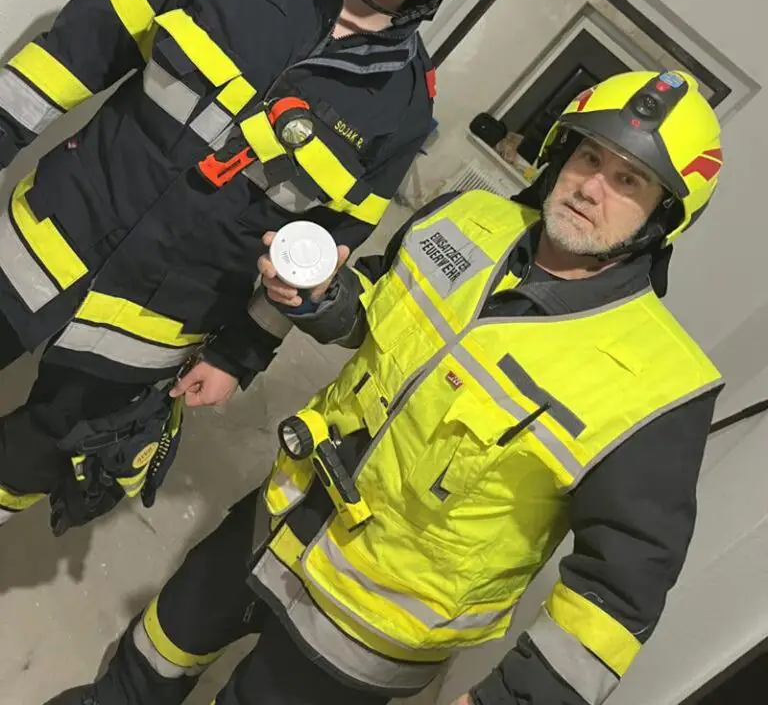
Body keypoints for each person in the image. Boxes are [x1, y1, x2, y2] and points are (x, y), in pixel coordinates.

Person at [50, 69, 725, 705]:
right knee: (155, 650)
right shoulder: (468, 219)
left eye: (628, 180)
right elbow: (373, 303)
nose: (591, 187)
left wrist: (510, 698)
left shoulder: (658, 383)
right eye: (589, 157)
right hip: (279, 514)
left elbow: (620, 593)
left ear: (662, 214)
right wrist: (323, 297)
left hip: (368, 630)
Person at [0, 0, 534, 536]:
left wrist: (238, 355)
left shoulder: (404, 109)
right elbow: (82, 43)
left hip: (147, 330)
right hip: (36, 245)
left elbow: (323, 249)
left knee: (28, 460)